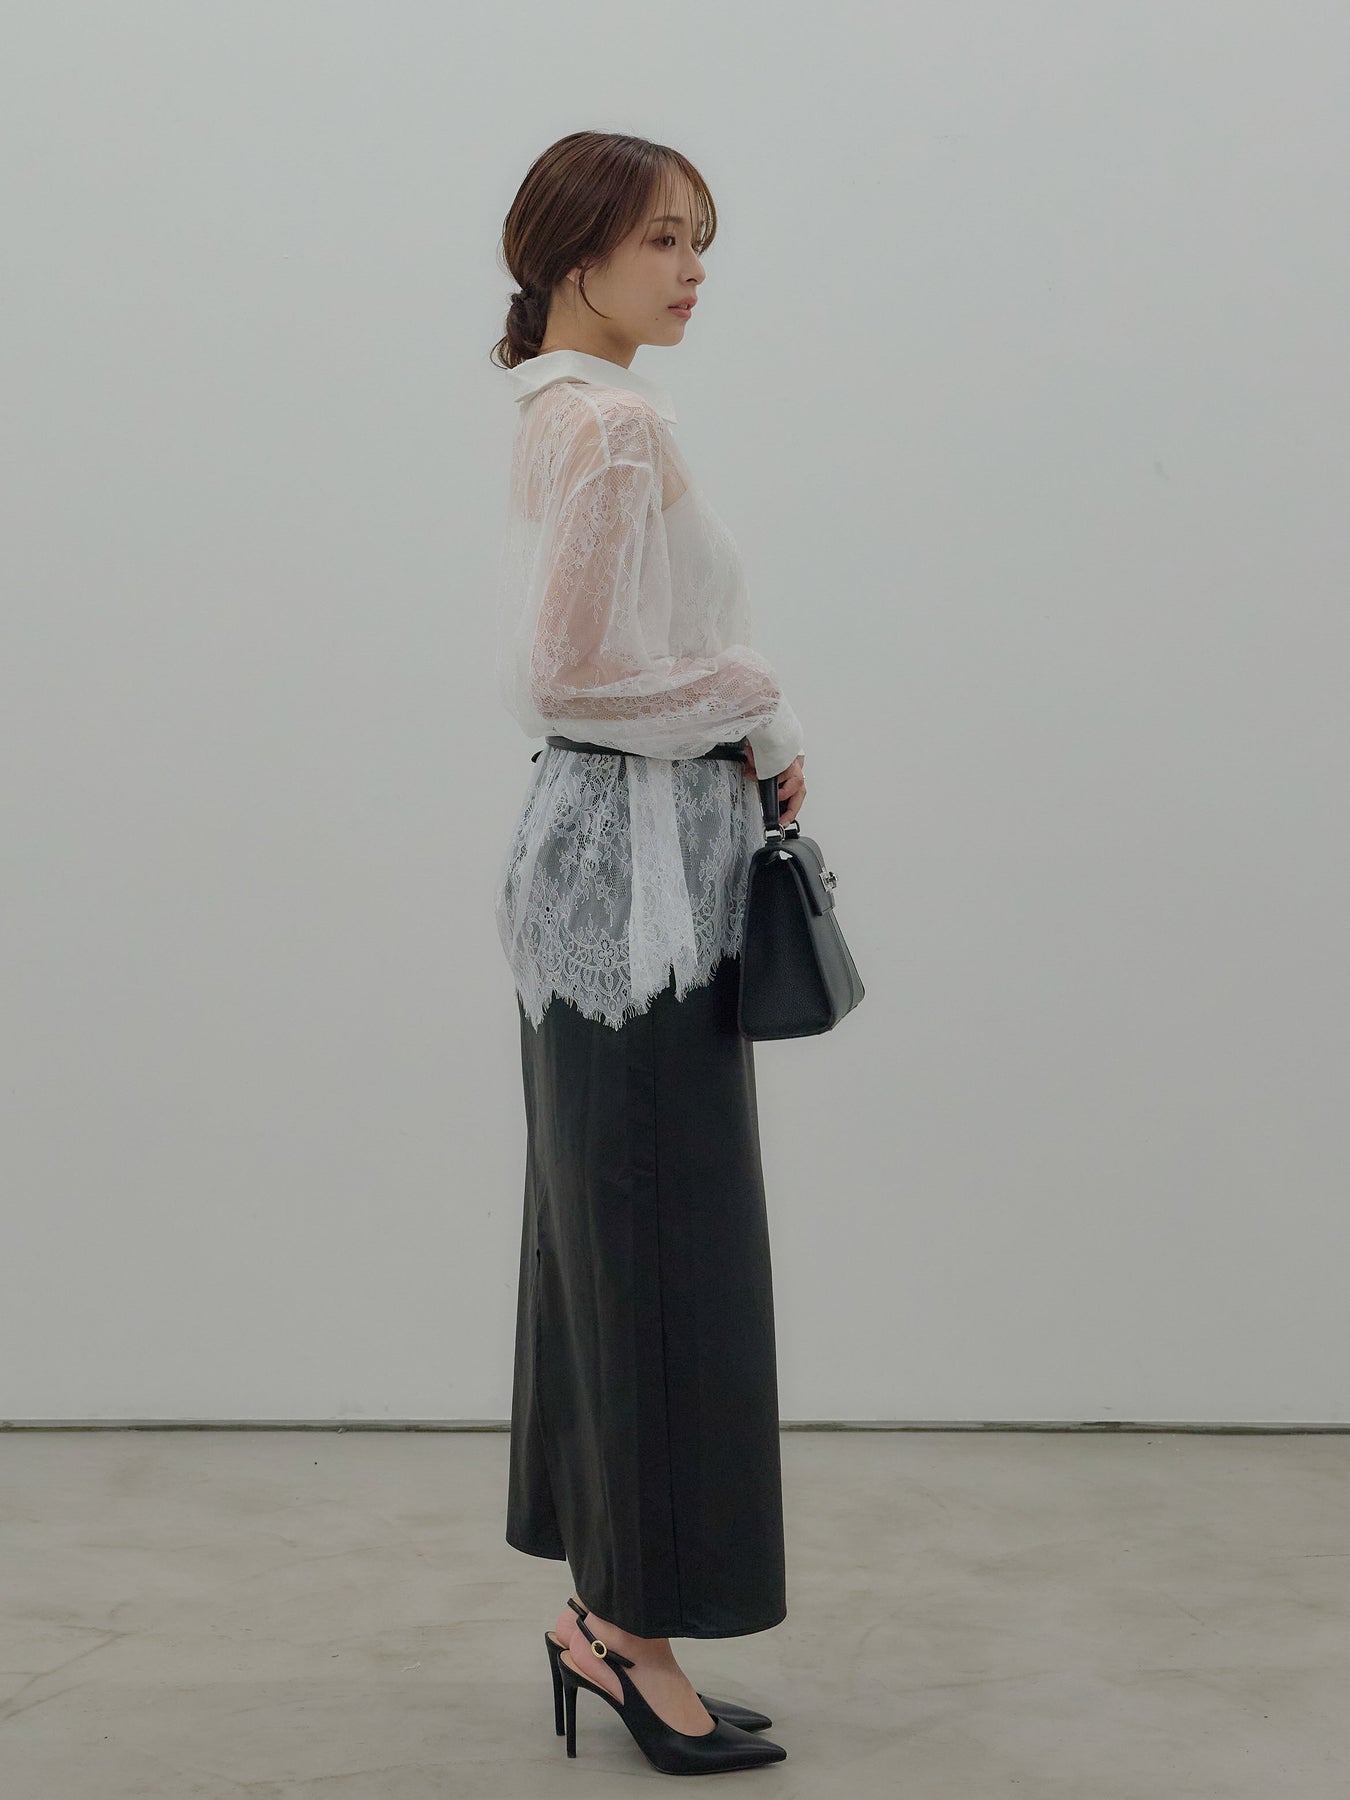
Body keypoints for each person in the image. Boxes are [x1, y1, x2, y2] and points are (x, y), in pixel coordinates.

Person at [489, 130, 806, 1775]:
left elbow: (597, 667)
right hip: (634, 898)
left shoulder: (562, 407)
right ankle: (632, 1641)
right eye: (663, 238)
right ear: (574, 252)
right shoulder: (612, 421)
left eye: (701, 240)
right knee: (662, 1255)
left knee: (608, 1242)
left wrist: (734, 723)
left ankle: (602, 1614)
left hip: (605, 878)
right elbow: (568, 676)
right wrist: (756, 704)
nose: (693, 270)